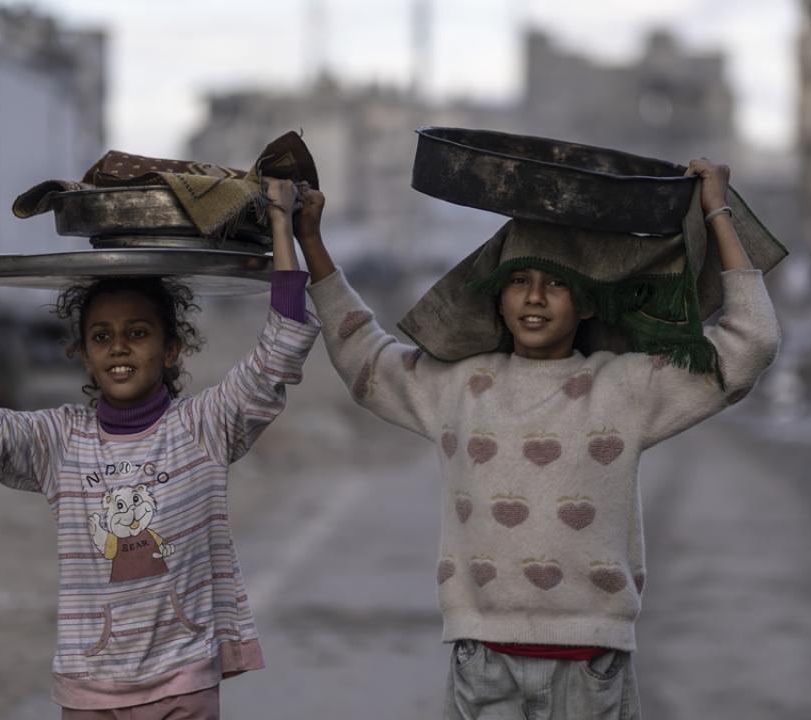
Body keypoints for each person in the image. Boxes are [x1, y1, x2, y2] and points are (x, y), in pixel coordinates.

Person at [293, 159, 781, 720]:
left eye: (556, 283)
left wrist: (716, 211)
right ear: (497, 297)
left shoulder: (624, 388)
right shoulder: (457, 386)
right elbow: (364, 356)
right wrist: (311, 242)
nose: (534, 298)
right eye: (519, 281)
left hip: (590, 668)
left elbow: (751, 343)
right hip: (483, 663)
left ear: (588, 302)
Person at [0, 179, 320, 719]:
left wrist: (280, 224)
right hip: (89, 687)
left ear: (171, 348)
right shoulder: (60, 442)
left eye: (138, 333)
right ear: (84, 354)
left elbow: (281, 346)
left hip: (183, 681)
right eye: (102, 337)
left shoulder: (203, 426)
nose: (119, 348)